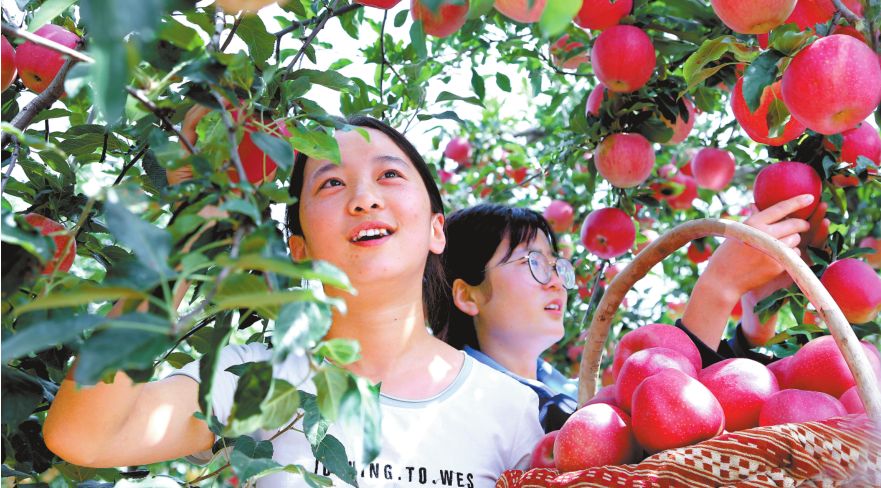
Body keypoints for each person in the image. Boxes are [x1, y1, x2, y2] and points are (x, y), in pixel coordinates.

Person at [43, 116, 544, 487]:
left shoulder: (510, 408)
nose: (364, 198)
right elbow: (85, 436)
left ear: (438, 229)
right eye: (331, 183)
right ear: (299, 250)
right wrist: (189, 229)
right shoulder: (252, 382)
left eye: (390, 174)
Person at [440, 197, 824, 432]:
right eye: (533, 262)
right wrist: (717, 289)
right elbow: (653, 447)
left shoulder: (570, 395)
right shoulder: (464, 410)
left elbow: (675, 423)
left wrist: (755, 320)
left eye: (557, 265)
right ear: (467, 294)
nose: (556, 281)